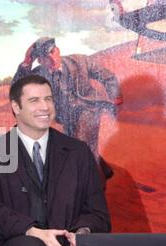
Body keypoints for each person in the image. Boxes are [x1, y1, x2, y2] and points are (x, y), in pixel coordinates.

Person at [0, 75, 111, 246]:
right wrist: (34, 232)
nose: (45, 107)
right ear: (16, 107)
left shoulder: (78, 152)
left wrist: (81, 234)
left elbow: (98, 213)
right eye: (34, 100)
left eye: (49, 99)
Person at [13, 37, 123, 183]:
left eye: (53, 52)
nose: (52, 58)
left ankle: (97, 187)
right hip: (66, 118)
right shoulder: (39, 73)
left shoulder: (79, 61)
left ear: (58, 50)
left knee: (79, 148)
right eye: (46, 57)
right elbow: (16, 88)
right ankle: (104, 170)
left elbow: (107, 76)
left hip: (88, 109)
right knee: (78, 146)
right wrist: (27, 62)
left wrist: (115, 95)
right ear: (40, 61)